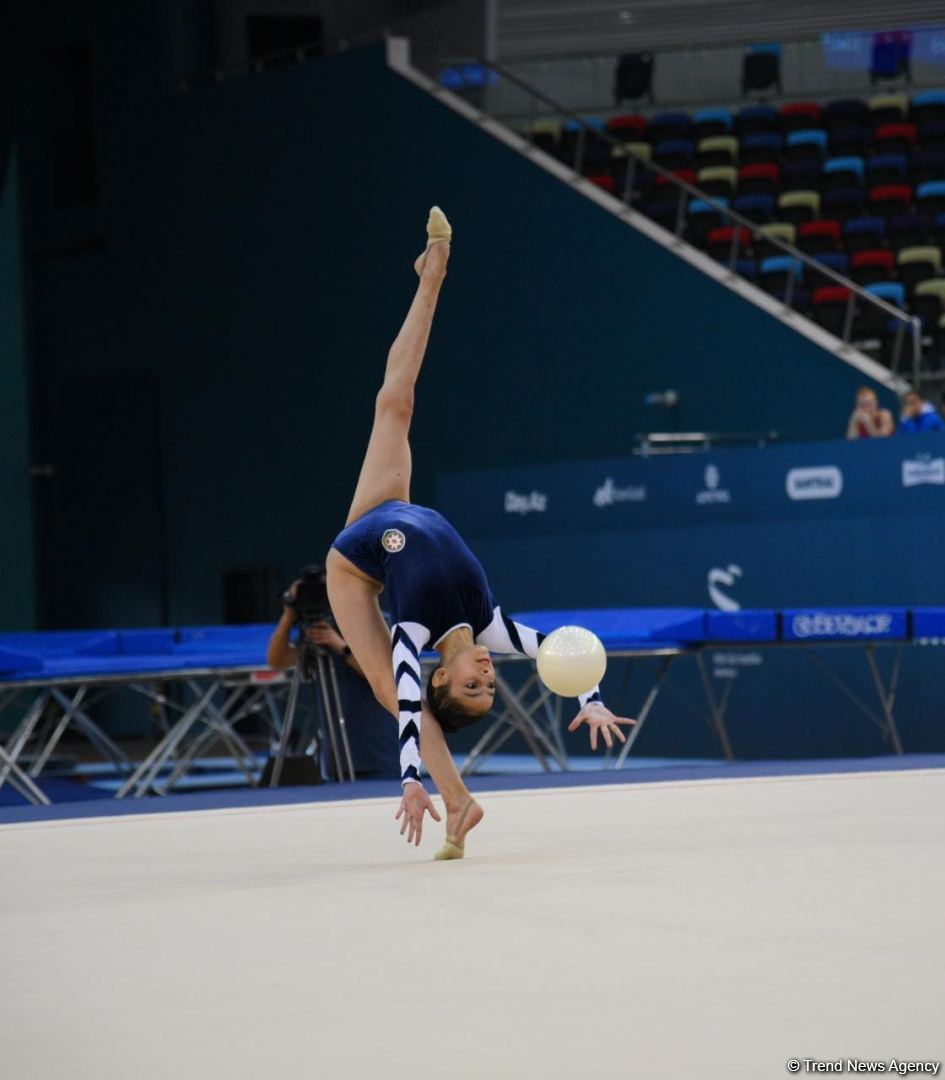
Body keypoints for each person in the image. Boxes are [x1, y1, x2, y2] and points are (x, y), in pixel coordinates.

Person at [325, 208, 633, 859]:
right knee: (396, 401)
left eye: (471, 685)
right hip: (392, 511)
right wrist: (592, 695)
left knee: (386, 687)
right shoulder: (492, 628)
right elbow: (560, 648)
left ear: (441, 678)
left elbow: (408, 708)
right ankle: (431, 273)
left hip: (353, 565)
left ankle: (448, 795)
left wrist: (408, 780)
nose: (487, 674)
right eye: (490, 686)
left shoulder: (412, 637)